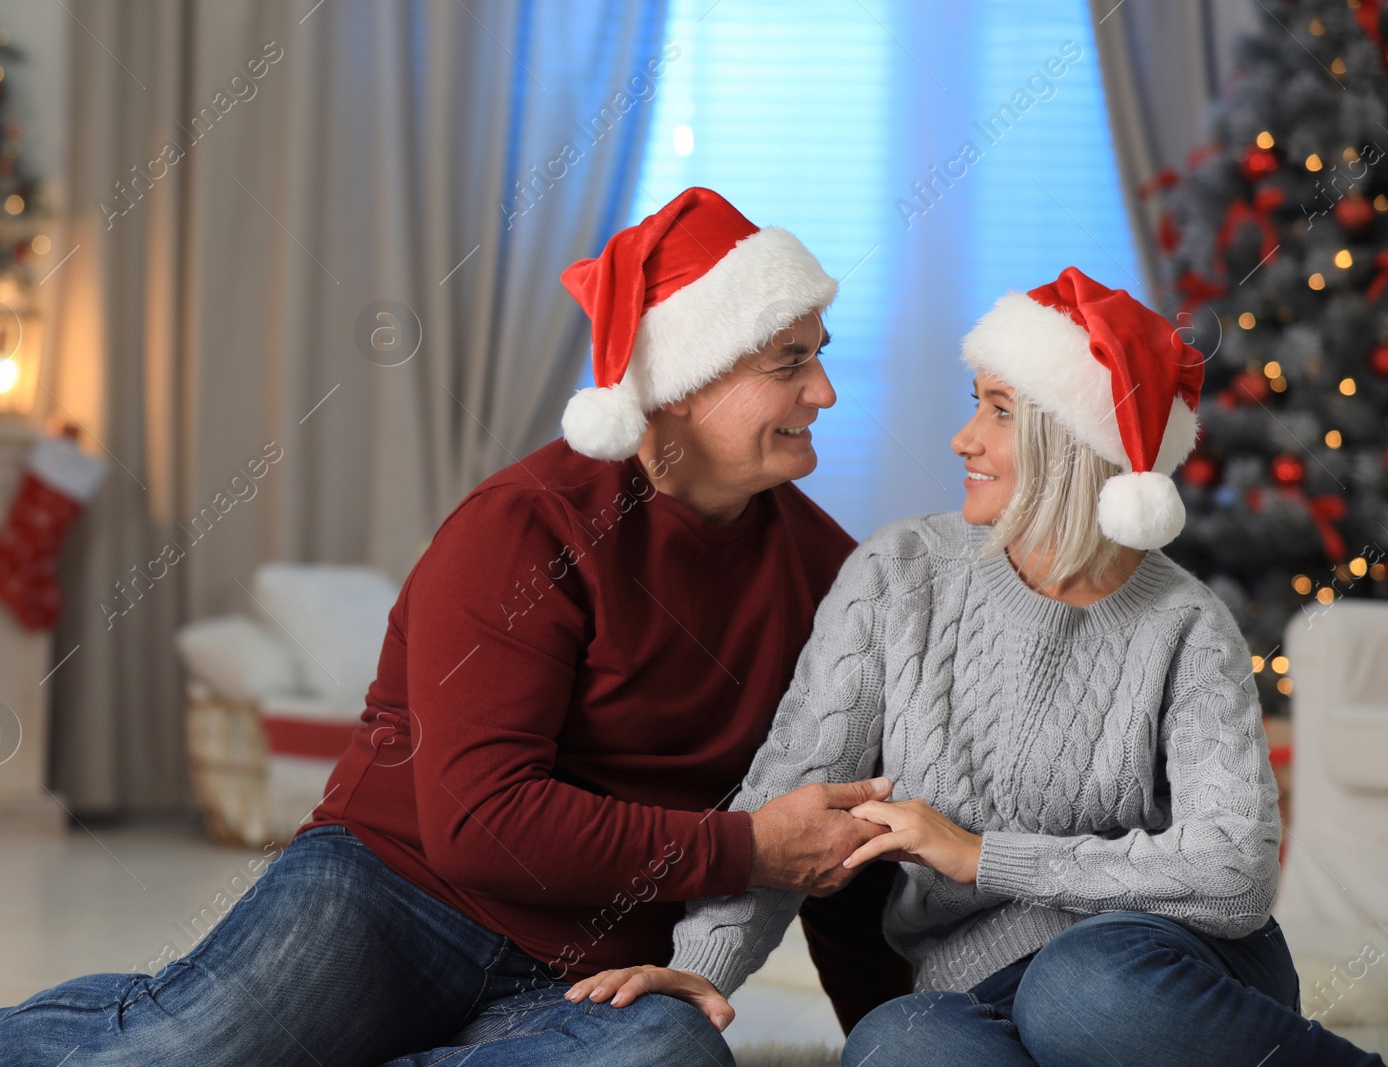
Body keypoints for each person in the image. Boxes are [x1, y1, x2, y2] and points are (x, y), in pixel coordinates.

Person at [0, 188, 905, 1067]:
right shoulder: (526, 525)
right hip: (397, 893)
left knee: (665, 1053)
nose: (824, 389)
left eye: (818, 354)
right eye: (788, 361)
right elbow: (480, 818)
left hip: (587, 965)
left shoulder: (830, 573)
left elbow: (841, 835)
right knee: (173, 1047)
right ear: (680, 382)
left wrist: (883, 1036)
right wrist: (743, 848)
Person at [569, 266, 1388, 1066]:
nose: (965, 438)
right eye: (975, 404)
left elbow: (1235, 871)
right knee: (895, 1046)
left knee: (1078, 990)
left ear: (1071, 444)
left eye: (998, 411)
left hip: (1160, 968)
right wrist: (702, 968)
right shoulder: (900, 573)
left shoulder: (1186, 625)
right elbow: (792, 788)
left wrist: (984, 854)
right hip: (978, 985)